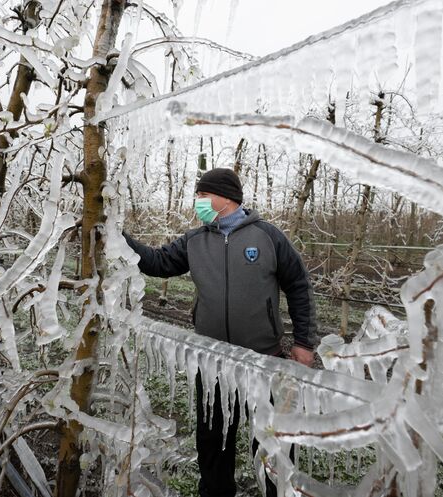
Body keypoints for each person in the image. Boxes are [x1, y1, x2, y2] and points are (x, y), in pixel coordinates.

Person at [123, 167, 317, 497]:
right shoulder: (195, 241)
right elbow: (157, 262)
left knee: (274, 441)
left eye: (202, 194)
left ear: (225, 197)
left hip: (263, 361)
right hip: (212, 364)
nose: (197, 201)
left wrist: (303, 342)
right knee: (213, 441)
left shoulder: (268, 236)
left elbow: (298, 284)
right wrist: (119, 238)